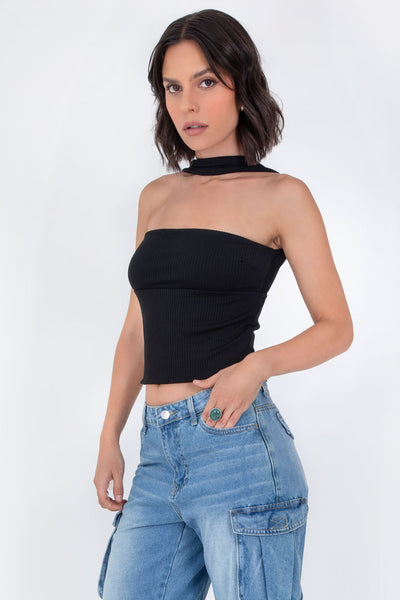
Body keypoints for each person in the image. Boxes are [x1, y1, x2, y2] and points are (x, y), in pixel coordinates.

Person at [93, 8, 353, 600]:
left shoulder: (282, 196)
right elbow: (136, 332)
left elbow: (337, 326)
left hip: (237, 446)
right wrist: (110, 434)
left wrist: (256, 366)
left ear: (242, 83)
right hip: (156, 455)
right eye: (173, 88)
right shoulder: (157, 197)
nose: (187, 104)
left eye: (206, 82)